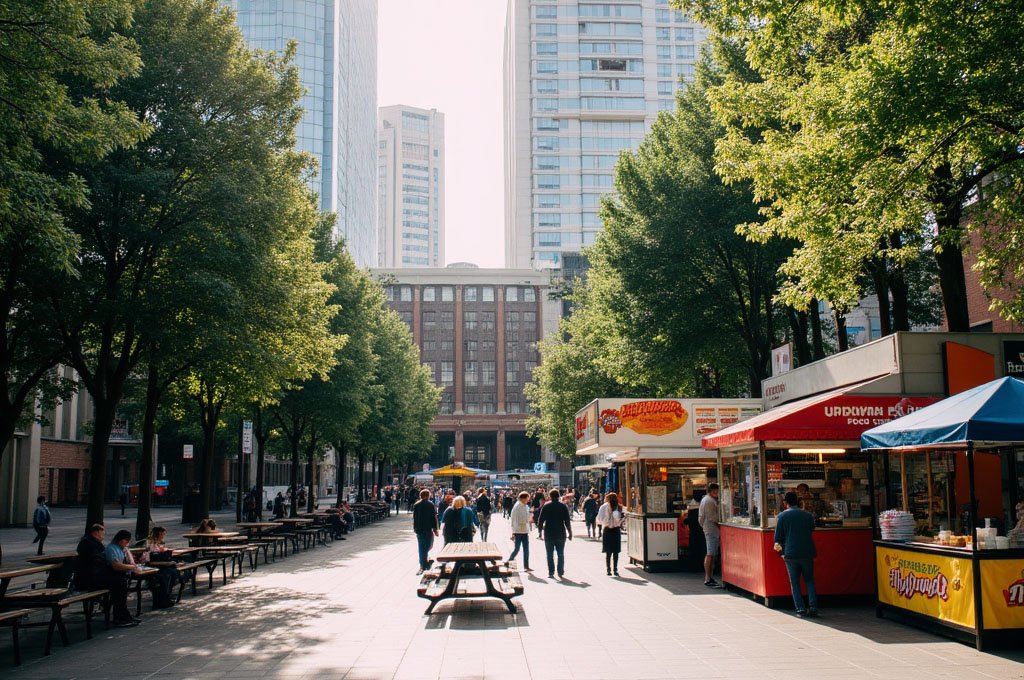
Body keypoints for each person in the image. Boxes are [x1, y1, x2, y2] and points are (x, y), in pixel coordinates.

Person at [76, 524, 139, 627]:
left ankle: (123, 615)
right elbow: (98, 562)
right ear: (97, 532)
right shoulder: (89, 543)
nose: (103, 535)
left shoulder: (92, 542)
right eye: (102, 533)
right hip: (90, 579)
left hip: (95, 576)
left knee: (121, 580)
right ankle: (120, 617)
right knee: (119, 582)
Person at [774, 491, 819, 618]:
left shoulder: (782, 516)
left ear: (785, 503)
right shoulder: (808, 515)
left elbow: (778, 538)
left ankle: (800, 609)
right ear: (798, 501)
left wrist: (781, 553)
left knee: (795, 583)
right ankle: (813, 607)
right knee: (809, 580)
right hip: (807, 552)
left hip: (790, 553)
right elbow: (812, 528)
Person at [138, 526, 178, 609]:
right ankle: (164, 599)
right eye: (162, 534)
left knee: (173, 571)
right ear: (157, 534)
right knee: (166, 573)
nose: (163, 536)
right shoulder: (150, 544)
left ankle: (166, 596)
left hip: (159, 565)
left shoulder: (158, 543)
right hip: (153, 566)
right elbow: (149, 560)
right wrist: (165, 562)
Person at [537, 488, 572, 579]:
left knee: (549, 554)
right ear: (558, 496)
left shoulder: (546, 506)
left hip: (549, 533)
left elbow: (540, 521)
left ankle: (551, 572)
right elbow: (567, 521)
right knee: (560, 553)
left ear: (550, 496)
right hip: (560, 532)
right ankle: (560, 571)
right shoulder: (563, 506)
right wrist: (570, 532)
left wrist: (540, 532)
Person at [699, 482, 722, 588]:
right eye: (716, 490)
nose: (717, 493)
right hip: (711, 530)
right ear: (713, 491)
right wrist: (720, 525)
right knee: (710, 554)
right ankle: (708, 578)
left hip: (709, 529)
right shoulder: (709, 501)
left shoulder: (706, 500)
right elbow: (712, 517)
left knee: (712, 554)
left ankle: (709, 577)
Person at [597, 492, 625, 576]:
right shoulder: (617, 507)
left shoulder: (605, 507)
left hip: (609, 530)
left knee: (610, 552)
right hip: (614, 530)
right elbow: (622, 520)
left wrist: (611, 516)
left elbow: (599, 520)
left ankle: (610, 569)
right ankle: (613, 569)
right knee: (614, 552)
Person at [413, 489, 439, 574]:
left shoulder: (416, 504)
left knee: (422, 547)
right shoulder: (431, 504)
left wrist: (415, 528)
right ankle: (423, 563)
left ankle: (423, 562)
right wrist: (435, 529)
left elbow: (415, 518)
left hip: (419, 529)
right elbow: (433, 517)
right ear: (428, 495)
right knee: (429, 545)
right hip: (428, 529)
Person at [508, 491, 533, 571]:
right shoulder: (517, 507)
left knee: (526, 550)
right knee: (517, 549)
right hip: (518, 531)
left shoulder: (526, 506)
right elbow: (515, 520)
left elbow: (528, 518)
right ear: (523, 498)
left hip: (524, 530)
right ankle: (509, 561)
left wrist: (530, 514)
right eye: (527, 498)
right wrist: (513, 533)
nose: (528, 500)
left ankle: (526, 566)